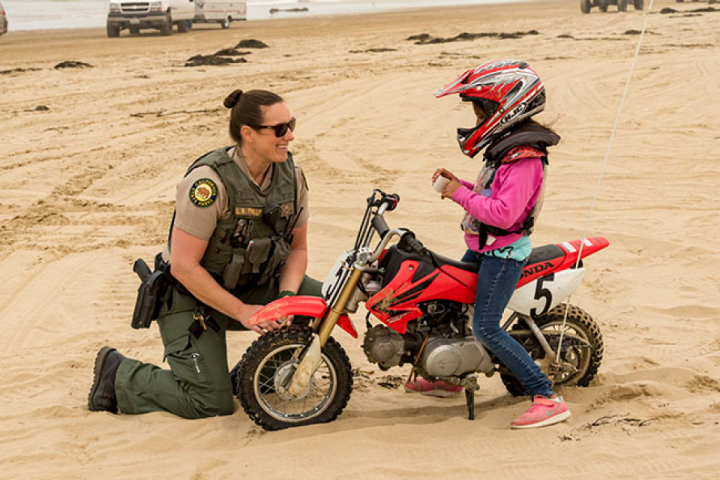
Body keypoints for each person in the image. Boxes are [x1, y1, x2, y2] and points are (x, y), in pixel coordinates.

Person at [88, 89, 323, 419]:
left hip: (250, 286)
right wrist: (242, 311)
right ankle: (119, 375)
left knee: (318, 301)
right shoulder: (209, 184)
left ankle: (252, 377)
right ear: (248, 134)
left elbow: (298, 249)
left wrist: (285, 297)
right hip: (192, 298)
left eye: (292, 124)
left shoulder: (292, 178)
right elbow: (184, 267)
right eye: (280, 128)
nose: (290, 135)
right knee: (210, 403)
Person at [405, 59, 570, 429]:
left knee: (486, 326)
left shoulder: (524, 157)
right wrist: (461, 184)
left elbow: (504, 213)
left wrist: (456, 196)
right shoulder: (506, 150)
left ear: (503, 108)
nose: (477, 117)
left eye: (480, 108)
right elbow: (490, 193)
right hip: (485, 247)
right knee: (449, 303)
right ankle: (447, 377)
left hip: (503, 254)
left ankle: (546, 396)